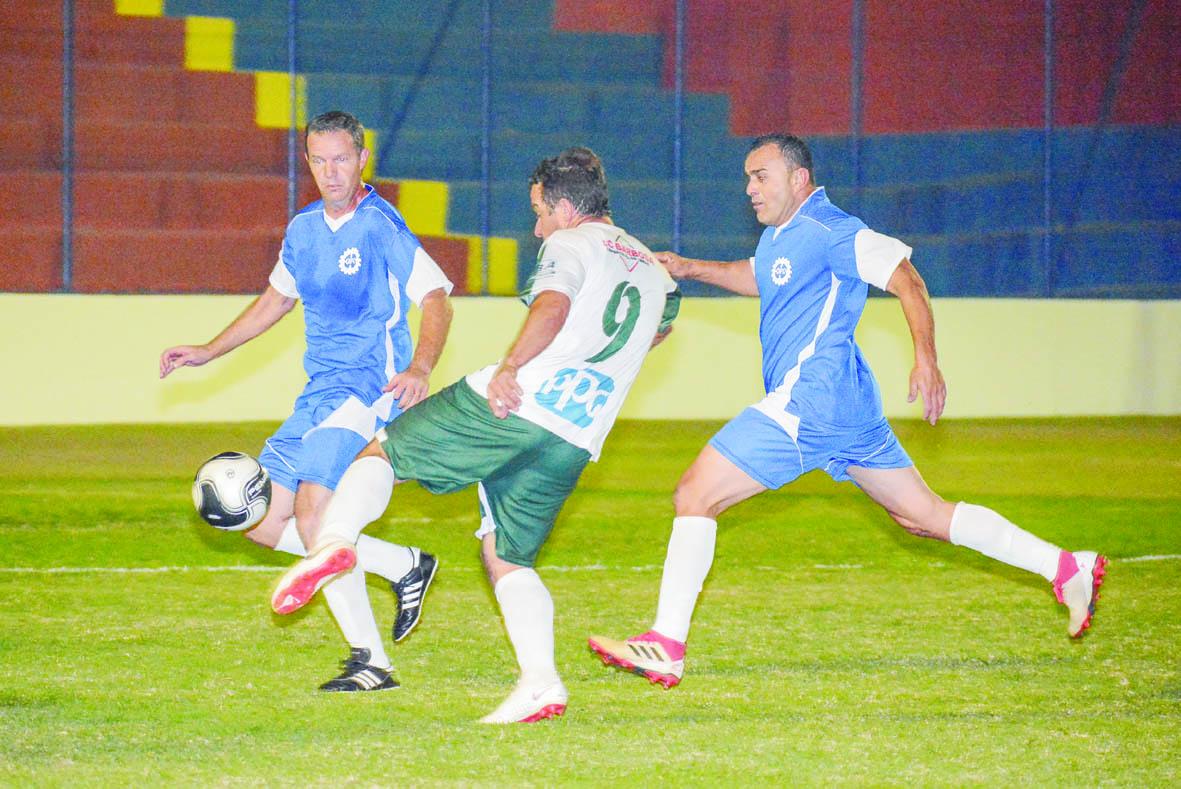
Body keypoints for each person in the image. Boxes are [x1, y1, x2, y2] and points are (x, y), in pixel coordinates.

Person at [588, 133, 1108, 689]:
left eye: (761, 176)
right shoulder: (781, 237)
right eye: (747, 178)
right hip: (847, 408)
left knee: (695, 493)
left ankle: (666, 643)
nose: (749, 189)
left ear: (799, 178)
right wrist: (688, 267)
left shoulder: (834, 229)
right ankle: (1065, 566)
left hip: (812, 399)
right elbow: (760, 277)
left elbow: (907, 279)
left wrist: (926, 360)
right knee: (923, 515)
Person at [268, 147, 682, 723]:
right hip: (579, 433)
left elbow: (554, 307)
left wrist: (511, 366)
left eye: (539, 213)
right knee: (506, 556)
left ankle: (337, 539)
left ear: (565, 208)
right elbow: (657, 330)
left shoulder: (570, 244)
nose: (537, 228)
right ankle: (541, 683)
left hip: (517, 404)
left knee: (381, 450)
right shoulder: (651, 266)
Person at [159, 110, 453, 692]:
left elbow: (438, 297)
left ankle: (371, 662)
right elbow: (275, 301)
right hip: (318, 393)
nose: (330, 171)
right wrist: (209, 350)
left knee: (319, 516)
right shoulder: (303, 229)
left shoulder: (381, 226)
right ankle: (403, 565)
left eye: (341, 158)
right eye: (319, 160)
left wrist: (420, 367)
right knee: (261, 522)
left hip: (369, 387)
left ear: (362, 158)